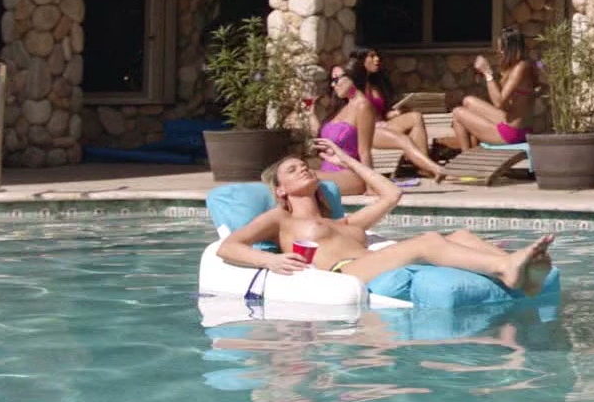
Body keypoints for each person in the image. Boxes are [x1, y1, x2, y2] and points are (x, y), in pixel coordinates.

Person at [218, 141, 552, 293]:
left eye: (304, 165)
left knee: (462, 235)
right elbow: (228, 247)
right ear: (280, 190)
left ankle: (523, 272)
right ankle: (506, 267)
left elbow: (391, 195)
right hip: (344, 273)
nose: (303, 168)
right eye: (292, 170)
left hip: (371, 262)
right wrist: (270, 260)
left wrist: (347, 160)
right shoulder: (281, 219)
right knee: (427, 241)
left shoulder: (344, 223)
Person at [346, 49, 443, 179]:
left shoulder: (376, 83)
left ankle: (424, 166)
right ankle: (430, 167)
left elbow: (383, 113)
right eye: (372, 56)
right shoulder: (353, 87)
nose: (377, 59)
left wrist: (395, 113)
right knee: (405, 139)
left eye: (377, 55)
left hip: (382, 125)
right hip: (367, 131)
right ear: (361, 59)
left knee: (415, 117)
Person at [450, 28, 535, 150]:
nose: (499, 51)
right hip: (515, 125)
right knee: (468, 101)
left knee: (457, 112)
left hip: (512, 133)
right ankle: (471, 153)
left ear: (512, 48)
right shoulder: (524, 64)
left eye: (502, 48)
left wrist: (487, 73)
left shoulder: (520, 68)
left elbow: (498, 103)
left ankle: (466, 156)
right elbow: (507, 104)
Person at [310, 65, 378, 196]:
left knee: (301, 178)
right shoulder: (341, 107)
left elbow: (364, 151)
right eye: (332, 80)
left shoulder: (363, 106)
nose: (333, 84)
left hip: (350, 174)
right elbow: (321, 138)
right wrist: (311, 115)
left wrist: (371, 186)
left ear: (352, 77)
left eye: (336, 79)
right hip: (328, 171)